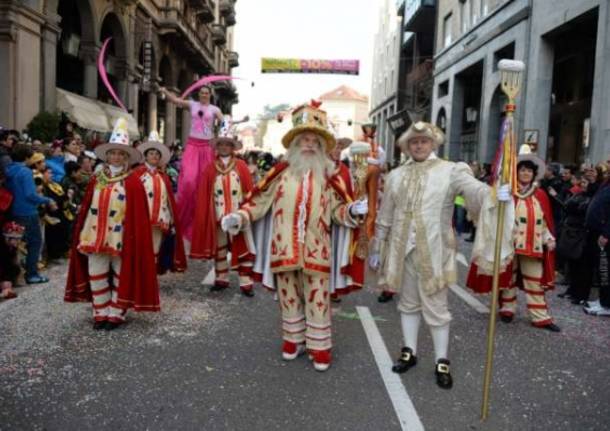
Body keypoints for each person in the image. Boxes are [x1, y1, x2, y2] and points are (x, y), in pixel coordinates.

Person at [222, 102, 367, 371]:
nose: (309, 145)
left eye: (314, 140)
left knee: (317, 297)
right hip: (284, 246)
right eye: (304, 139)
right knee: (289, 295)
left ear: (322, 146)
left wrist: (351, 210)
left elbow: (336, 211)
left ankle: (319, 346)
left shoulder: (329, 175)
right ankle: (293, 339)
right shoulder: (279, 173)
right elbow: (259, 202)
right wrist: (239, 217)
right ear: (295, 143)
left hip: (317, 247)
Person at [370, 121, 513, 389]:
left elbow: (473, 189)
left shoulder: (451, 170)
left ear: (433, 143)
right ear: (407, 146)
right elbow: (386, 214)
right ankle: (409, 351)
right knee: (408, 303)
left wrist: (493, 194)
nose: (419, 145)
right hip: (402, 250)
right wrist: (378, 246)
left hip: (435, 251)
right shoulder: (396, 176)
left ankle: (441, 360)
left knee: (437, 308)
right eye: (414, 142)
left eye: (424, 141)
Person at [65, 118, 159, 331]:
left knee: (120, 274)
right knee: (95, 272)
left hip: (122, 237)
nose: (116, 157)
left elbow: (138, 215)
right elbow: (88, 205)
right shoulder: (97, 179)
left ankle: (116, 312)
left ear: (126, 157)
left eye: (120, 154)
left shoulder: (133, 181)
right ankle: (101, 311)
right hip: (94, 234)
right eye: (113, 153)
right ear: (107, 156)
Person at [490, 146, 560, 331]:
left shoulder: (541, 195)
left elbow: (544, 221)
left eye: (529, 170)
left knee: (535, 281)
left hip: (533, 245)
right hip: (510, 244)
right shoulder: (509, 193)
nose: (526, 173)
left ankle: (540, 317)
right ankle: (507, 309)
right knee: (508, 279)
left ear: (534, 173)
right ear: (517, 172)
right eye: (522, 170)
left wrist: (549, 238)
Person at [190, 120, 255, 297]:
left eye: (227, 144)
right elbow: (204, 194)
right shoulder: (210, 168)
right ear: (217, 147)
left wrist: (247, 212)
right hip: (217, 215)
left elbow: (249, 191)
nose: (224, 147)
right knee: (220, 248)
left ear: (232, 147)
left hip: (237, 216)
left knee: (241, 247)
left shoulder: (241, 166)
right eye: (221, 144)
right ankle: (221, 279)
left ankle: (246, 282)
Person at [160, 85, 224, 241]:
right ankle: (184, 220)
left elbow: (224, 123)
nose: (204, 95)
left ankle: (202, 222)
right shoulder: (192, 105)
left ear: (210, 94)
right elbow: (175, 100)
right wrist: (165, 90)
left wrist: (220, 135)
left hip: (207, 147)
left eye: (206, 93)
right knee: (188, 180)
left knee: (204, 184)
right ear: (199, 94)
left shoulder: (215, 109)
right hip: (192, 146)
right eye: (202, 93)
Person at [134, 131, 186, 274]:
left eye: (157, 154)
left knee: (155, 249)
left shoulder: (164, 177)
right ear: (145, 155)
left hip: (160, 221)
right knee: (140, 249)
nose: (154, 156)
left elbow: (168, 201)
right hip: (140, 220)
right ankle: (139, 279)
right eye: (151, 153)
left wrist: (172, 220)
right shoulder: (137, 174)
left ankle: (150, 280)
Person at [5, 144, 56, 284]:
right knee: (35, 243)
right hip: (28, 211)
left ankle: (13, 276)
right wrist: (47, 199)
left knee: (14, 245)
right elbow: (30, 194)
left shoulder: (8, 170)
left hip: (12, 211)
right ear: (27, 157)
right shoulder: (25, 172)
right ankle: (31, 274)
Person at [0, 221, 24, 300]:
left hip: (5, 267)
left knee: (14, 268)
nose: (18, 242)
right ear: (7, 237)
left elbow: (10, 264)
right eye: (16, 239)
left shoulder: (11, 247)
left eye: (19, 239)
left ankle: (6, 289)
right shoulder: (3, 247)